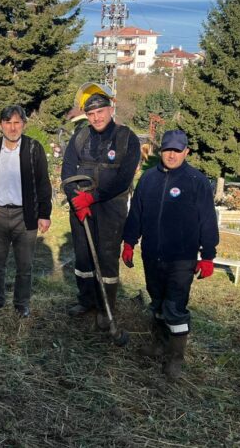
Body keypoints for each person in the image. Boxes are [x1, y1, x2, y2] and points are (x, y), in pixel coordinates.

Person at [121, 129, 219, 380]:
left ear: (186, 152)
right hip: (152, 254)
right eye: (167, 150)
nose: (172, 155)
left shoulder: (196, 181)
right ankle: (158, 344)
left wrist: (208, 255)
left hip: (181, 257)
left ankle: (176, 357)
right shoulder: (148, 179)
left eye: (177, 150)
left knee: (174, 307)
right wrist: (129, 242)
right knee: (157, 303)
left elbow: (208, 221)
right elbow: (136, 214)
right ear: (161, 151)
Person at [61, 83, 140, 329]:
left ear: (110, 109)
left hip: (111, 208)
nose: (96, 118)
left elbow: (124, 179)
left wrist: (93, 197)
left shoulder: (127, 138)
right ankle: (86, 300)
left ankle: (107, 308)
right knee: (83, 257)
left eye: (100, 112)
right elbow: (67, 171)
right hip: (80, 207)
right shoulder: (80, 137)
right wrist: (76, 199)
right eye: (91, 114)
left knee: (106, 257)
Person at [0, 105, 52, 318]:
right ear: (0, 125)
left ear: (24, 124)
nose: (12, 128)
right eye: (8, 123)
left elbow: (43, 183)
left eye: (17, 123)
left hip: (25, 214)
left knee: (24, 265)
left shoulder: (34, 148)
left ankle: (21, 304)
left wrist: (44, 214)